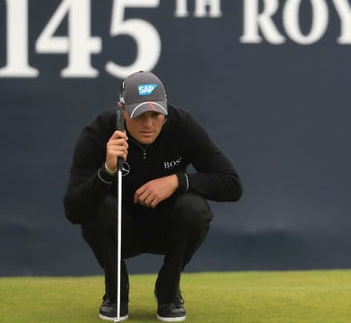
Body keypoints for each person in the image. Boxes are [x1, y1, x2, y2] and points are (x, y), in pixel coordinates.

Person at [63, 71, 242, 321]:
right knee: (98, 207)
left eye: (156, 114)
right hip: (119, 231)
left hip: (166, 228)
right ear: (121, 110)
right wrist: (106, 172)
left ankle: (168, 292)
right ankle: (116, 293)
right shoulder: (99, 131)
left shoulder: (182, 125)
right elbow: (73, 210)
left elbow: (232, 184)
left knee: (194, 207)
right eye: (139, 116)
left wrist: (178, 180)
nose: (149, 124)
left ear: (165, 109)